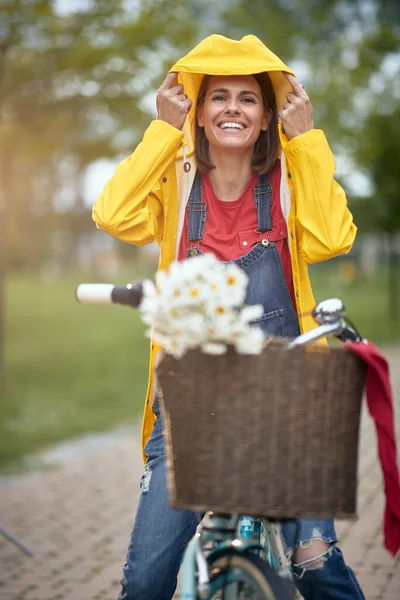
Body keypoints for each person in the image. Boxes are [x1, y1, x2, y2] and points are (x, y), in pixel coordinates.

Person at [93, 34, 365, 600]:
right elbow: (113, 214)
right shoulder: (176, 175)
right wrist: (164, 130)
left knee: (317, 566)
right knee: (144, 582)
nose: (233, 109)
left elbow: (335, 237)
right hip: (190, 409)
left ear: (268, 116)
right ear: (198, 108)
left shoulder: (290, 178)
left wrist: (308, 139)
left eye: (248, 98)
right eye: (219, 97)